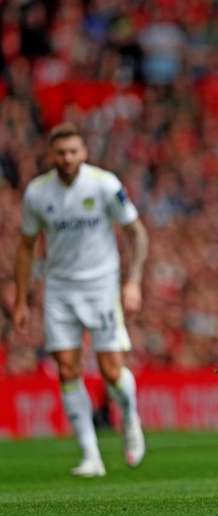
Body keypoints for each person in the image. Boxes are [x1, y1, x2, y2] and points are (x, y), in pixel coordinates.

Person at [13, 122, 149, 477]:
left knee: (110, 369)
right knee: (68, 368)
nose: (67, 158)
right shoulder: (38, 193)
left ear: (83, 153)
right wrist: (22, 300)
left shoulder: (104, 185)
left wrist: (133, 282)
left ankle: (130, 417)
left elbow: (137, 232)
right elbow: (26, 247)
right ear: (51, 155)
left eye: (73, 151)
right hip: (59, 288)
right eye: (61, 153)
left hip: (101, 285)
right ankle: (91, 455)